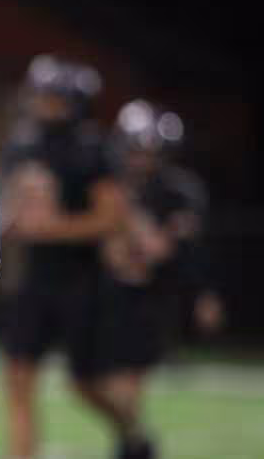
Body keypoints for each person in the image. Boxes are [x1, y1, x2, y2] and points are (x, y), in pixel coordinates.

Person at [0, 54, 125, 459]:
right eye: (42, 95)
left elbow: (112, 219)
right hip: (34, 280)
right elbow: (12, 210)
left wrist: (54, 228)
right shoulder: (23, 144)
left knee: (84, 384)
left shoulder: (92, 148)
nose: (44, 103)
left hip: (81, 281)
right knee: (18, 379)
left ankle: (131, 432)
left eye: (53, 96)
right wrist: (6, 224)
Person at [94, 99, 222, 459]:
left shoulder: (178, 191)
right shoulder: (109, 184)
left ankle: (130, 447)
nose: (142, 159)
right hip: (104, 291)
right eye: (136, 150)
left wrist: (203, 293)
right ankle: (136, 441)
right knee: (91, 377)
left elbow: (165, 250)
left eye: (149, 152)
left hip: (152, 295)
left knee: (129, 378)